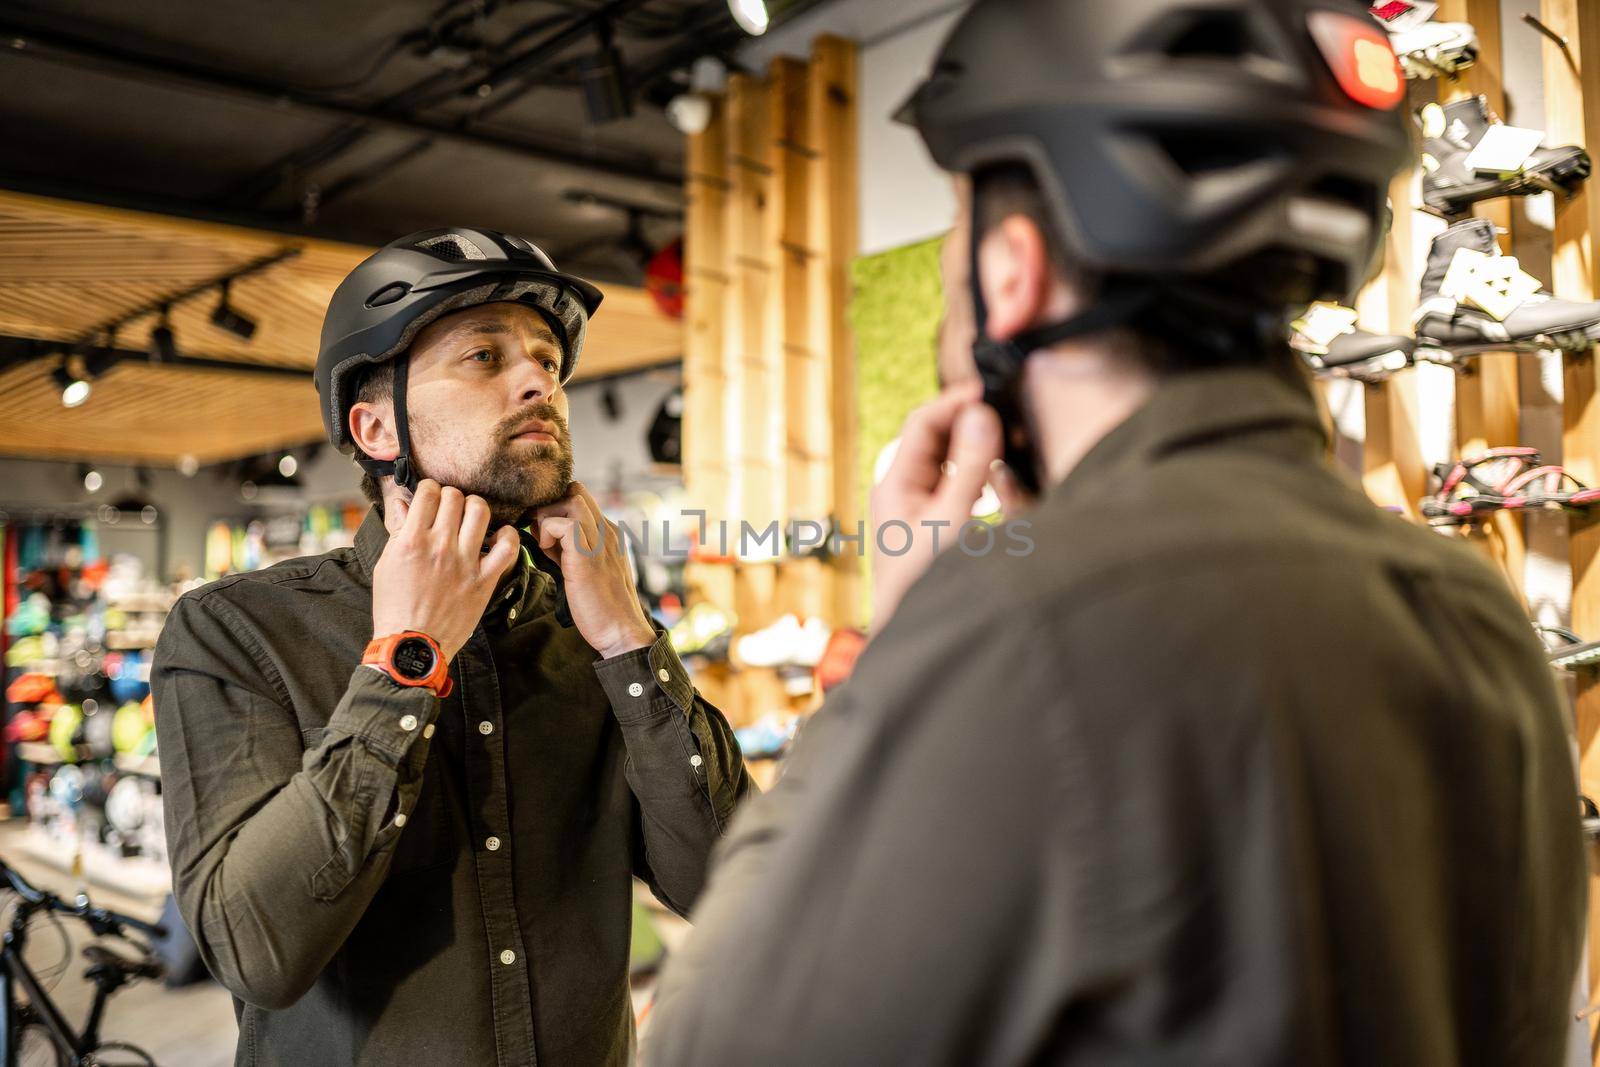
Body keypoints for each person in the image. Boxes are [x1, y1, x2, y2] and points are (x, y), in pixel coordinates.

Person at [645, 1, 1584, 1064]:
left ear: (1012, 270)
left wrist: (897, 647)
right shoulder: (1472, 612)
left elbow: (713, 1045)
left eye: (959, 225)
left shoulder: (1015, 635)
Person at [152, 227, 752, 1066]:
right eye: (483, 356)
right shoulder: (240, 630)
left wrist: (629, 637)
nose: (539, 380)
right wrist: (408, 657)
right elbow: (256, 951)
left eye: (548, 359)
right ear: (376, 427)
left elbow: (733, 890)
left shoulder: (595, 630)